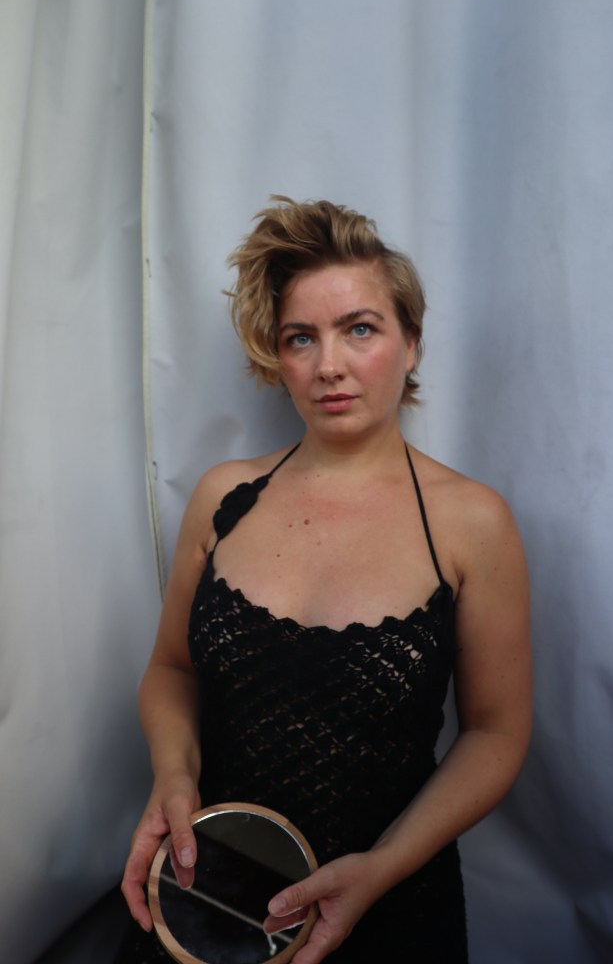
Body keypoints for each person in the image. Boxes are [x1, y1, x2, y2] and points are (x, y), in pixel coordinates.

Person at [116, 196, 532, 963]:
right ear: (278, 358)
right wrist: (173, 774)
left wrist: (381, 869)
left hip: (393, 908)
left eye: (359, 329)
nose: (328, 365)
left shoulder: (471, 522)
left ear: (411, 342)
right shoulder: (224, 498)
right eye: (300, 338)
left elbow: (495, 733)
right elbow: (170, 668)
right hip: (208, 902)